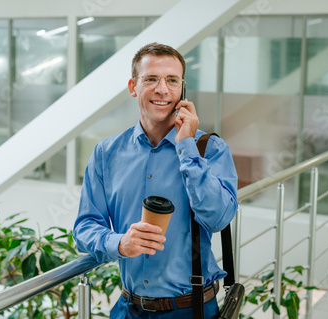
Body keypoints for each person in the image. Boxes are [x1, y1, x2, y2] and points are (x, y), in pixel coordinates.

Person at [73, 42, 238, 318]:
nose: (162, 89)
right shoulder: (106, 153)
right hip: (128, 308)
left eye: (172, 80)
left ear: (182, 89)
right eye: (151, 79)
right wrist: (119, 243)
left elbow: (218, 218)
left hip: (191, 309)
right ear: (133, 86)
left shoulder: (209, 149)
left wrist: (185, 146)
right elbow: (85, 227)